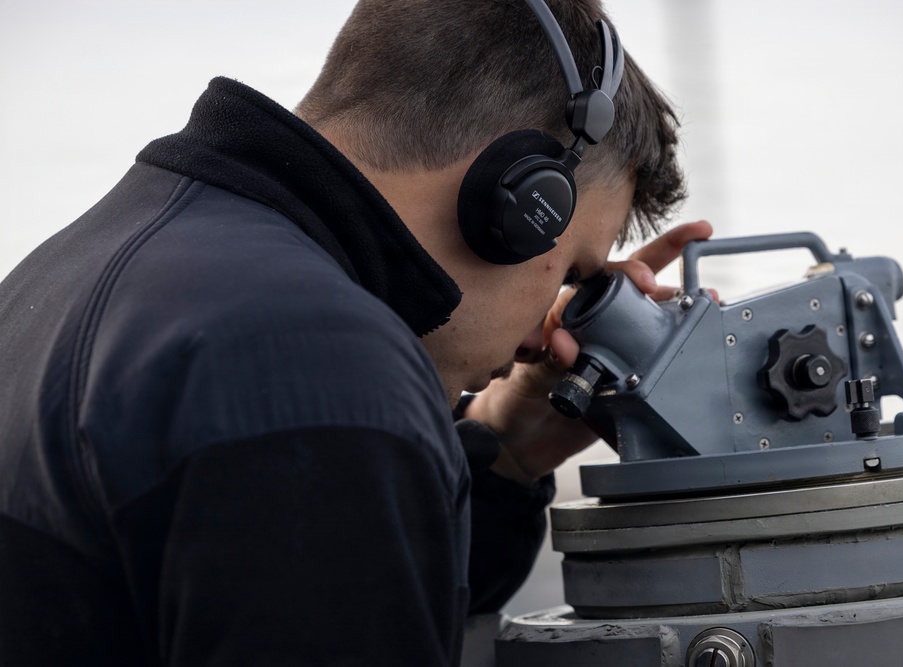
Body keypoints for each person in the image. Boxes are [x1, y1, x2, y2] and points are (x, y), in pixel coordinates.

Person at [0, 0, 710, 664]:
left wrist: (507, 447)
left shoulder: (69, 276)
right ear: (522, 201)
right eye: (569, 272)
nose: (539, 337)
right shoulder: (320, 370)